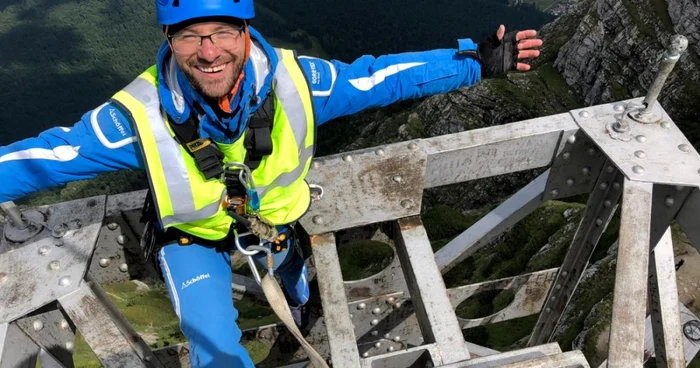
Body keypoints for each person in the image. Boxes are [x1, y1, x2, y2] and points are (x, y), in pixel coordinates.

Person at [0, 0, 542, 366]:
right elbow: (49, 156)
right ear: (169, 38)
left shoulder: (295, 82)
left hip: (277, 225)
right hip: (193, 238)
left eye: (220, 32)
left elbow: (377, 77)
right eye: (190, 35)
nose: (208, 51)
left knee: (295, 284)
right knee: (212, 343)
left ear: (244, 31)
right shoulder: (138, 114)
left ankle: (300, 306)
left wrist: (474, 63)